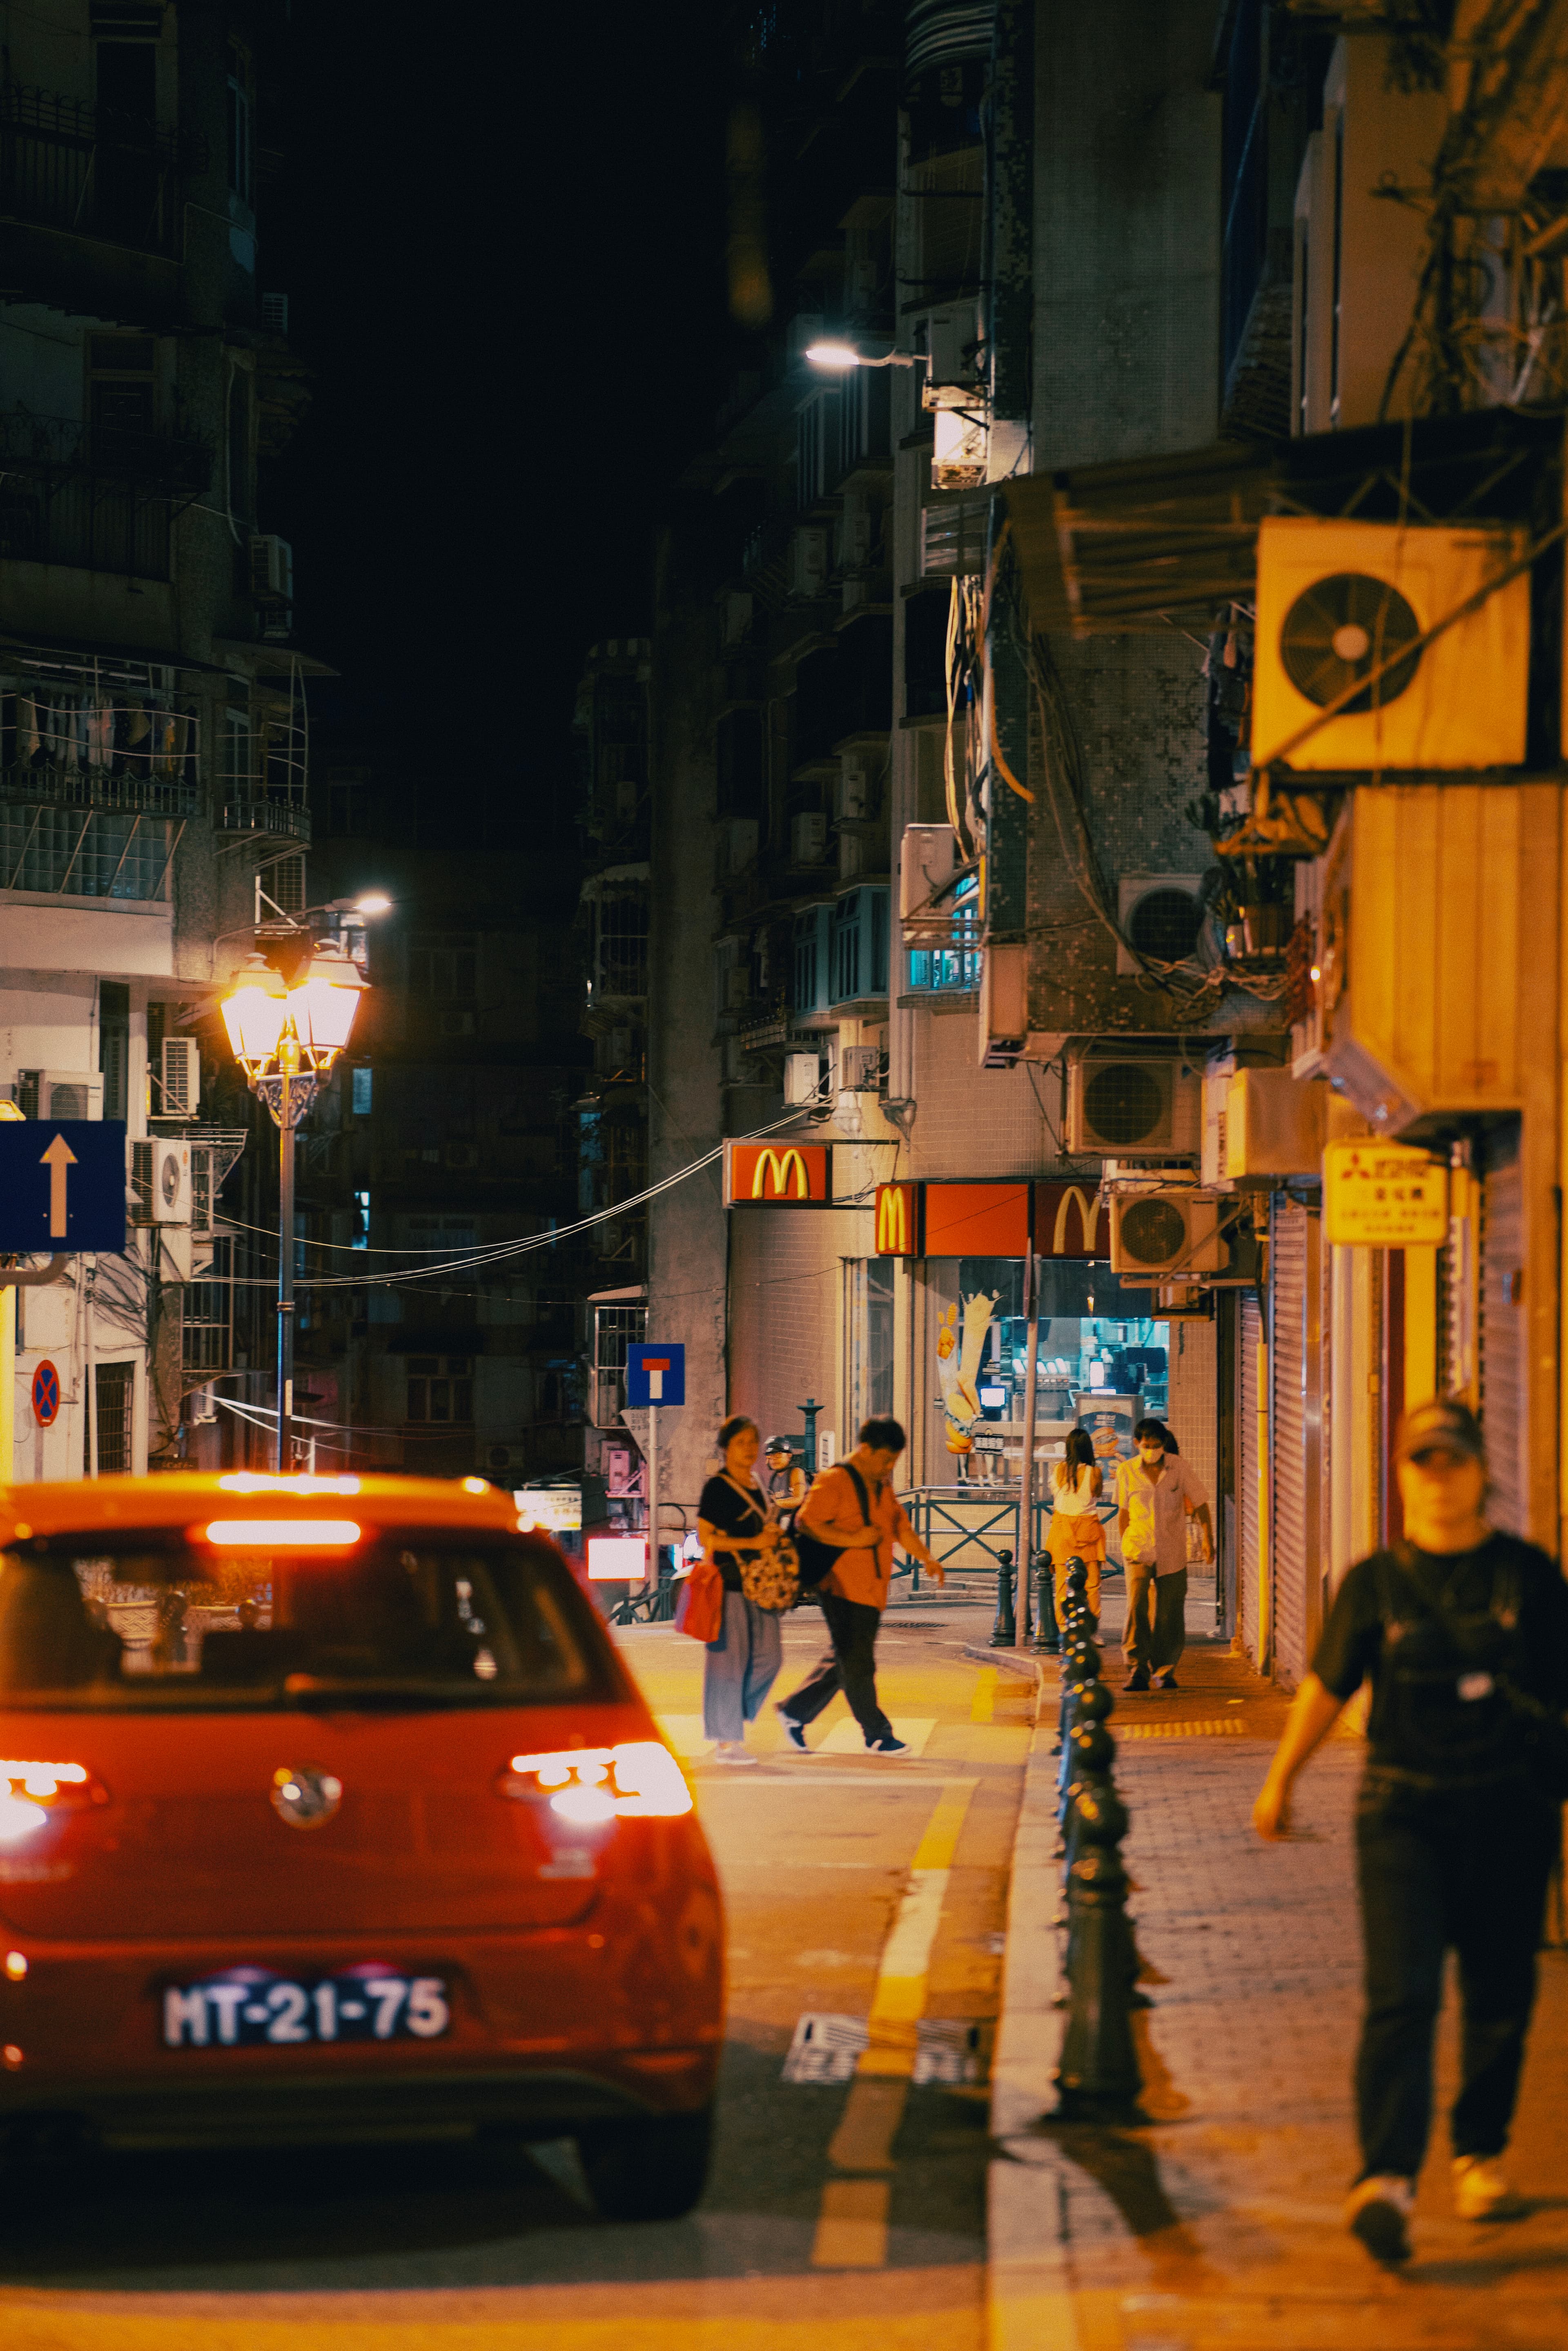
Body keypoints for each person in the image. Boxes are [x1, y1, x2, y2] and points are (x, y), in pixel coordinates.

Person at [1253, 1398, 1568, 2267]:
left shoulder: (1530, 1577)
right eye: (1422, 1464)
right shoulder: (1375, 1583)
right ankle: (1387, 2177)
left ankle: (1480, 2154)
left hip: (1510, 1812)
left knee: (1501, 1993)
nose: (1439, 1480)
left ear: (1482, 1472)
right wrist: (1282, 1778)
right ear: (1402, 1477)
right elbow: (1325, 1683)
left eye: (1453, 1462)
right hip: (1402, 1815)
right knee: (1405, 1994)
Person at [775, 1415, 945, 1756]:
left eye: (894, 1461)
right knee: (859, 1662)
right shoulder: (835, 1480)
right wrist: (853, 1538)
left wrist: (927, 1557)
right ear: (866, 1449)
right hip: (839, 1586)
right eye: (886, 1458)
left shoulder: (881, 1484)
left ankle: (794, 1711)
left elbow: (901, 1526)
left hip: (872, 1590)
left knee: (846, 1658)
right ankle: (878, 1734)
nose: (889, 1466)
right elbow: (806, 1524)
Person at [696, 1415, 785, 1765]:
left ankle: (731, 1716)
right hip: (729, 1583)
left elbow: (763, 1527)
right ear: (726, 1448)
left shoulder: (758, 1483)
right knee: (727, 1664)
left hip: (762, 1584)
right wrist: (752, 1540)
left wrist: (771, 1538)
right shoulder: (717, 1488)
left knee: (769, 1659)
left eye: (754, 1441)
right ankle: (726, 1739)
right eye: (742, 1442)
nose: (750, 1449)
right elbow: (706, 1537)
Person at [1115, 1416, 1212, 1691]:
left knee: (1170, 1612)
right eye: (1147, 1445)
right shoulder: (1126, 1471)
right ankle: (1136, 1669)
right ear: (1137, 1444)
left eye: (1157, 1445)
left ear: (1164, 1444)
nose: (1152, 1450)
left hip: (1172, 1550)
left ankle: (1165, 1669)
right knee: (1137, 1608)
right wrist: (1126, 1544)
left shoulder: (1178, 1467)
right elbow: (1124, 1513)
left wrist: (1209, 1539)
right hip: (1138, 1548)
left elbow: (1201, 1502)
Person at [1047, 1427, 1106, 1629]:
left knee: (1063, 1583)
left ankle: (1063, 1625)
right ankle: (1092, 1628)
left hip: (1062, 1530)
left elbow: (1056, 1496)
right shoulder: (1096, 1473)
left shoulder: (1057, 1470)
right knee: (1092, 1585)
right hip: (1088, 1531)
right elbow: (1097, 1494)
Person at [763, 1435, 807, 1507]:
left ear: (789, 1455)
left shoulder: (796, 1472)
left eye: (779, 1454)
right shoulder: (774, 1478)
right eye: (771, 1455)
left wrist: (775, 1503)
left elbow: (799, 1499)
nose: (774, 1458)